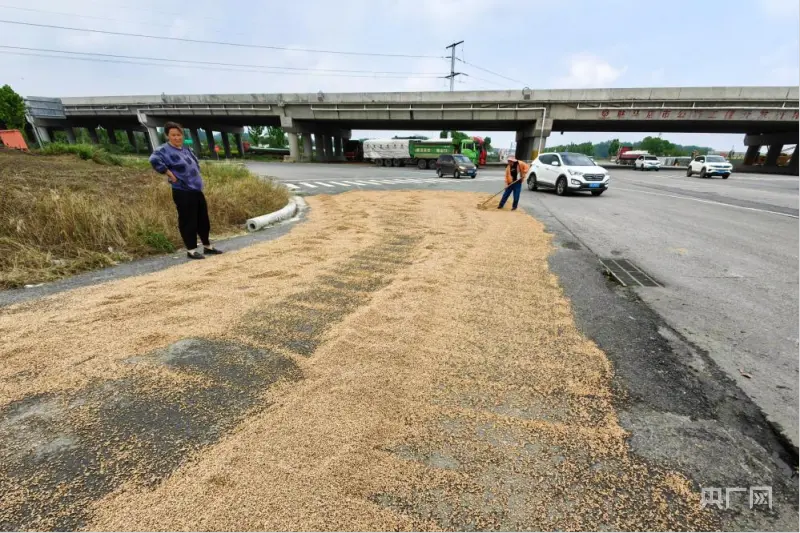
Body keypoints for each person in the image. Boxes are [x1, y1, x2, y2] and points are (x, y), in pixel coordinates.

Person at [149, 121, 223, 260]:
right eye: (173, 135)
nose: (177, 138)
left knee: (203, 219)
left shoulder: (186, 149)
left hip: (196, 188)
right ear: (167, 136)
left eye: (179, 135)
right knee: (188, 220)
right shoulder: (164, 150)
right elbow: (154, 160)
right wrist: (169, 174)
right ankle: (191, 249)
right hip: (182, 190)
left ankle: (207, 246)